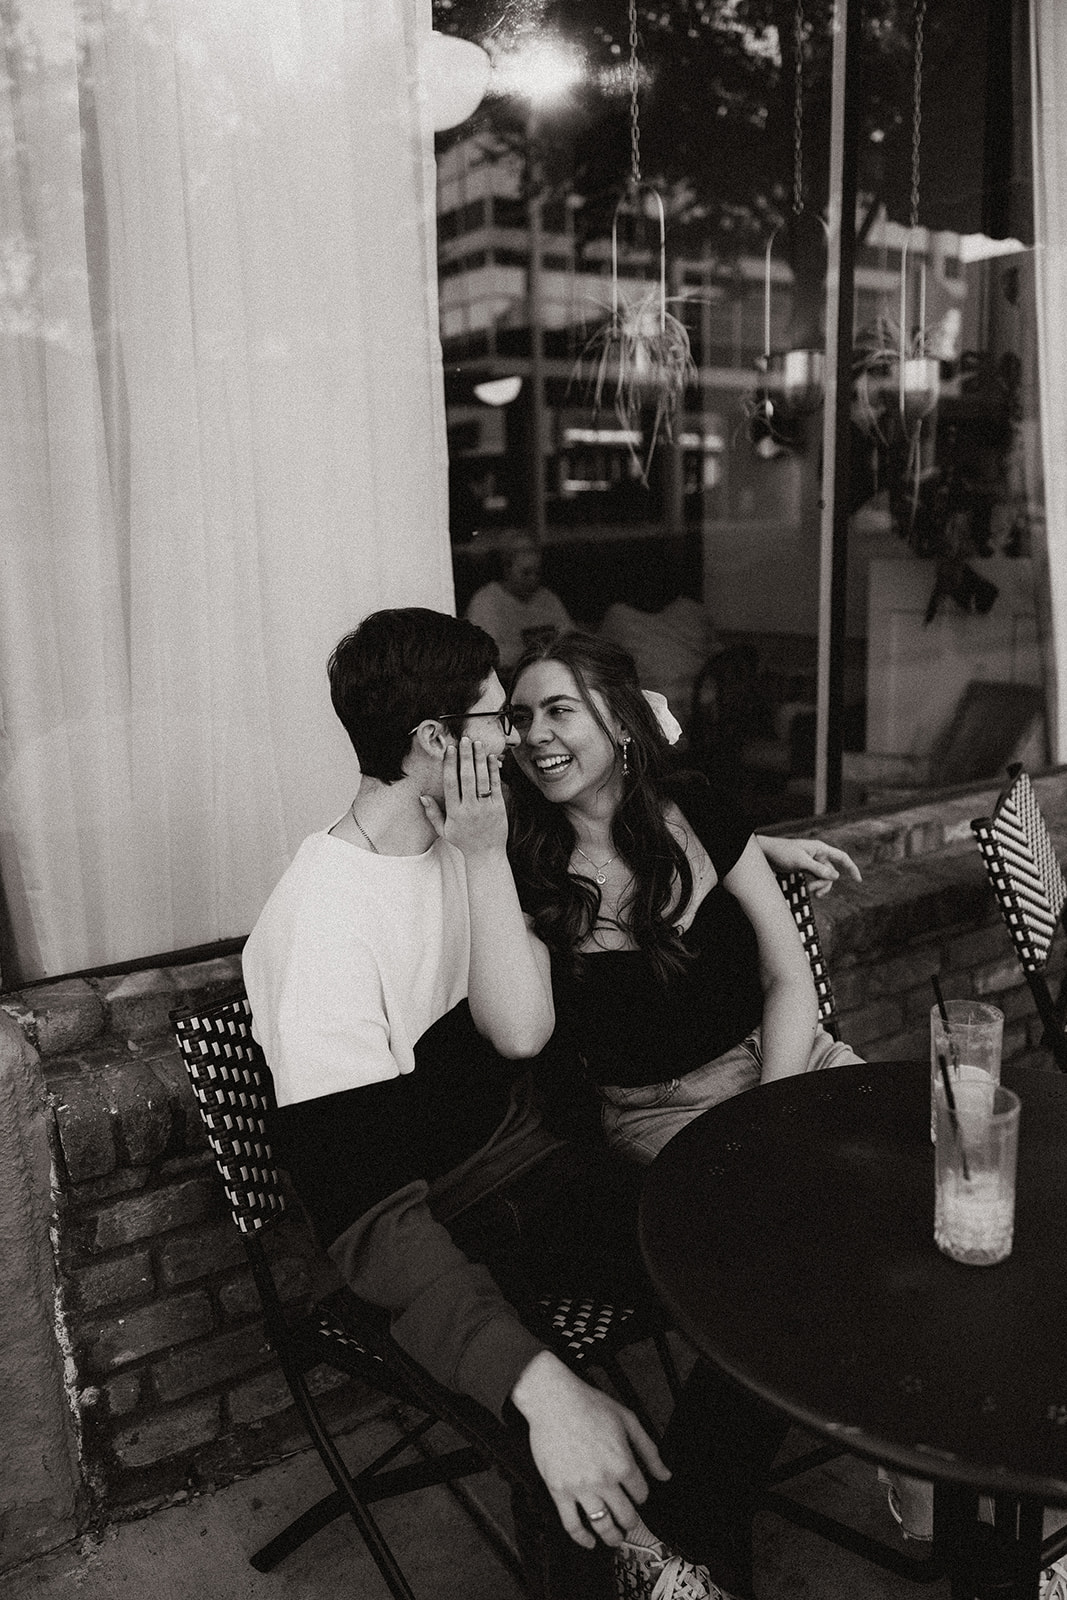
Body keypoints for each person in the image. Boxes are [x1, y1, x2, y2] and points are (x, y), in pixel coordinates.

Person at [242, 607, 806, 1600]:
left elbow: (521, 1034)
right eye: (497, 718)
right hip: (436, 1233)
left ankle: (679, 1555)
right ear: (433, 742)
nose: (517, 738)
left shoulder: (466, 842)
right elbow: (371, 1225)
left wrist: (756, 855)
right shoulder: (321, 928)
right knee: (575, 1456)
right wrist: (540, 1387)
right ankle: (652, 1557)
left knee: (764, 1281)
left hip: (543, 1172)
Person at [506, 630, 865, 1166]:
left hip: (786, 1055)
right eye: (521, 719)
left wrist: (772, 1112)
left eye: (560, 711)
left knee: (900, 1156)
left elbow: (788, 977)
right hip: (659, 1112)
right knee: (761, 1214)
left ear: (623, 722)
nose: (536, 735)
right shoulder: (519, 864)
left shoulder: (697, 806)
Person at [465, 533, 573, 674]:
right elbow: (484, 655)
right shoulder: (485, 600)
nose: (533, 580)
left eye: (537, 573)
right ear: (507, 569)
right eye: (526, 573)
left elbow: (569, 638)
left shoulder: (548, 599)